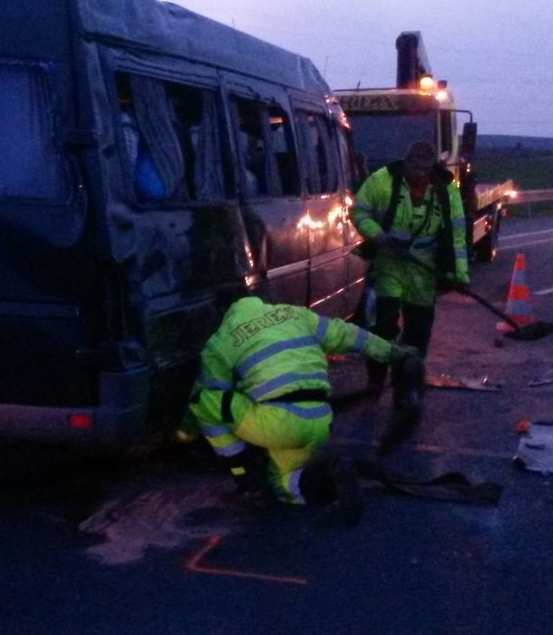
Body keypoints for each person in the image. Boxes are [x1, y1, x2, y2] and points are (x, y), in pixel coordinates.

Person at [181, 294, 423, 525]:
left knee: (202, 400)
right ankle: (334, 475)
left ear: (224, 314)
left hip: (279, 424)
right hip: (319, 420)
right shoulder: (294, 314)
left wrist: (186, 432)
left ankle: (244, 476)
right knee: (283, 481)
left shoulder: (221, 341)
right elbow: (349, 336)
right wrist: (396, 354)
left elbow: (210, 394)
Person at [350, 140, 468, 403]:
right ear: (405, 165)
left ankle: (409, 385)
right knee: (384, 325)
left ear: (432, 169)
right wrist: (377, 236)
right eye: (414, 170)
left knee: (418, 329)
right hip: (389, 261)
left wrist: (459, 274)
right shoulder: (382, 181)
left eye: (425, 171)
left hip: (423, 268)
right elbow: (359, 211)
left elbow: (457, 235)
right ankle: (376, 381)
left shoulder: (446, 190)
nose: (419, 176)